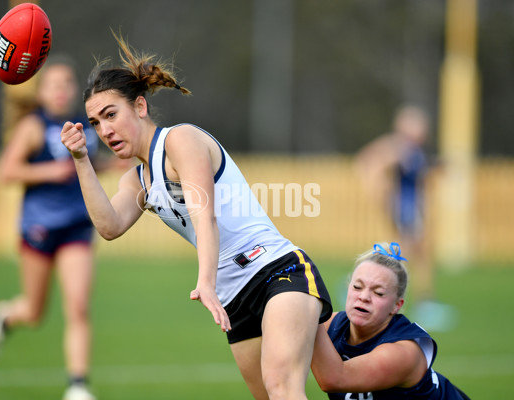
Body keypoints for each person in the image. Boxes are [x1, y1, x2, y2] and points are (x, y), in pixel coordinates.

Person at [59, 33, 332, 400]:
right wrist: (80, 160)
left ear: (140, 106)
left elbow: (206, 216)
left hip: (275, 270)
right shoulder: (138, 179)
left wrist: (204, 281)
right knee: (287, 392)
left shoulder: (180, 140)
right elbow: (108, 226)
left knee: (283, 386)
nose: (105, 130)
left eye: (111, 115)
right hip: (233, 297)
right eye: (95, 123)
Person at [0, 56, 101, 400]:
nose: (61, 91)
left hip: (77, 226)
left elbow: (88, 164)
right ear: (42, 90)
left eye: (67, 84)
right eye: (54, 84)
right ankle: (4, 316)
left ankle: (77, 386)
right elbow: (6, 171)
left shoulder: (83, 125)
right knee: (34, 312)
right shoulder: (33, 125)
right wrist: (49, 172)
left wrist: (111, 163)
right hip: (39, 229)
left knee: (78, 306)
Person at [311, 242, 470, 399]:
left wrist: (310, 311)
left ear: (396, 305)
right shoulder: (331, 326)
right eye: (357, 287)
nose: (364, 297)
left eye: (378, 293)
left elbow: (335, 379)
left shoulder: (403, 352)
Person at [355, 105, 455, 331]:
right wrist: (380, 191)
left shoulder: (413, 150)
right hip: (405, 208)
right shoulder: (398, 147)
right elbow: (370, 163)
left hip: (411, 207)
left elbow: (418, 173)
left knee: (412, 254)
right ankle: (375, 291)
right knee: (404, 254)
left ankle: (414, 299)